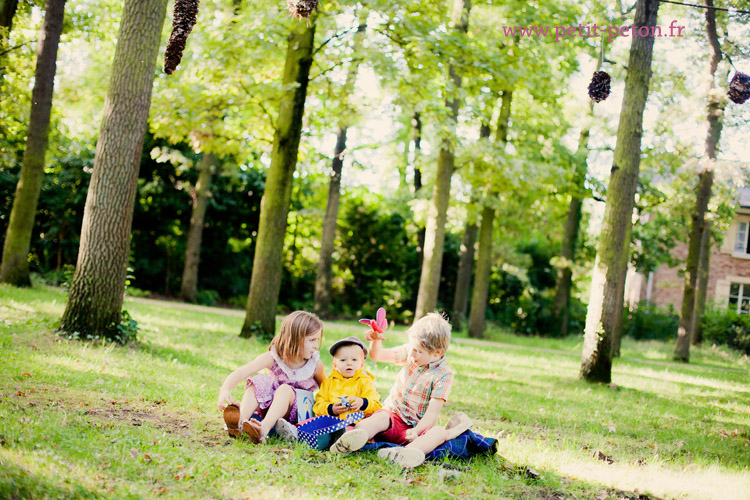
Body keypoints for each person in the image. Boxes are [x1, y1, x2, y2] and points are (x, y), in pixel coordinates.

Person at [328, 312, 468, 468]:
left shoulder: (444, 375)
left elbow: (432, 413)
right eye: (413, 348)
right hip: (392, 417)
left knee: (439, 433)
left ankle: (404, 454)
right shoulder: (410, 352)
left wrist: (417, 430)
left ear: (437, 353)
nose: (412, 354)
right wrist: (376, 341)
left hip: (415, 429)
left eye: (418, 351)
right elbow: (378, 355)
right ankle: (353, 438)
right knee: (378, 418)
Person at [216, 310, 325, 443]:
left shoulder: (315, 365)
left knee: (285, 389)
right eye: (312, 340)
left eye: (317, 340)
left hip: (296, 416)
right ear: (295, 338)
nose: (316, 345)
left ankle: (263, 430)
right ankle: (239, 423)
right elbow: (242, 372)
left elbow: (326, 390)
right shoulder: (274, 358)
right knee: (259, 380)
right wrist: (225, 389)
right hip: (270, 410)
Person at [274, 336, 383, 443]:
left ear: (361, 364)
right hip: (330, 421)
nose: (349, 363)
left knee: (350, 431)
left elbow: (376, 405)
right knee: (315, 423)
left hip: (354, 422)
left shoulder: (365, 381)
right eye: (343, 360)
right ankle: (295, 431)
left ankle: (342, 439)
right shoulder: (329, 382)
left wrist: (363, 402)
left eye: (354, 360)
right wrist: (331, 409)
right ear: (335, 364)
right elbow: (318, 405)